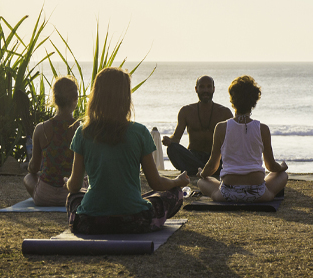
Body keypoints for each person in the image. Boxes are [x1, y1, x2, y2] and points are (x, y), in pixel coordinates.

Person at [66, 67, 190, 234]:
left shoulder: (82, 132)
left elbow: (74, 186)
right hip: (135, 221)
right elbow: (156, 183)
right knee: (175, 194)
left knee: (73, 197)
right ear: (125, 97)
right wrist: (177, 182)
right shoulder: (139, 132)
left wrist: (67, 181)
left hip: (91, 223)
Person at [196, 76, 289, 203]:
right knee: (282, 175)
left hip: (227, 193)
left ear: (232, 100)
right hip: (258, 193)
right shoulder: (262, 129)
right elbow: (271, 166)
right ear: (254, 101)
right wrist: (282, 167)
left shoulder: (221, 127)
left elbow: (213, 165)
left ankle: (216, 188)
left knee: (202, 181)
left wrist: (202, 173)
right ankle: (268, 193)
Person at [24, 76, 81, 206]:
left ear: (54, 99)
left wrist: (29, 166)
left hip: (44, 196)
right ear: (75, 99)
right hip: (71, 195)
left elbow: (34, 168)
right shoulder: (80, 129)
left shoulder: (41, 129)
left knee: (28, 177)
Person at [161, 75, 233, 174]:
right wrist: (168, 140)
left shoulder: (225, 112)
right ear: (196, 89)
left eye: (209, 87)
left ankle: (202, 169)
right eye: (202, 87)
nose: (205, 90)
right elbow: (176, 138)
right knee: (172, 149)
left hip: (215, 158)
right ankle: (205, 170)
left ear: (213, 89)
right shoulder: (186, 111)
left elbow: (233, 141)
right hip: (193, 156)